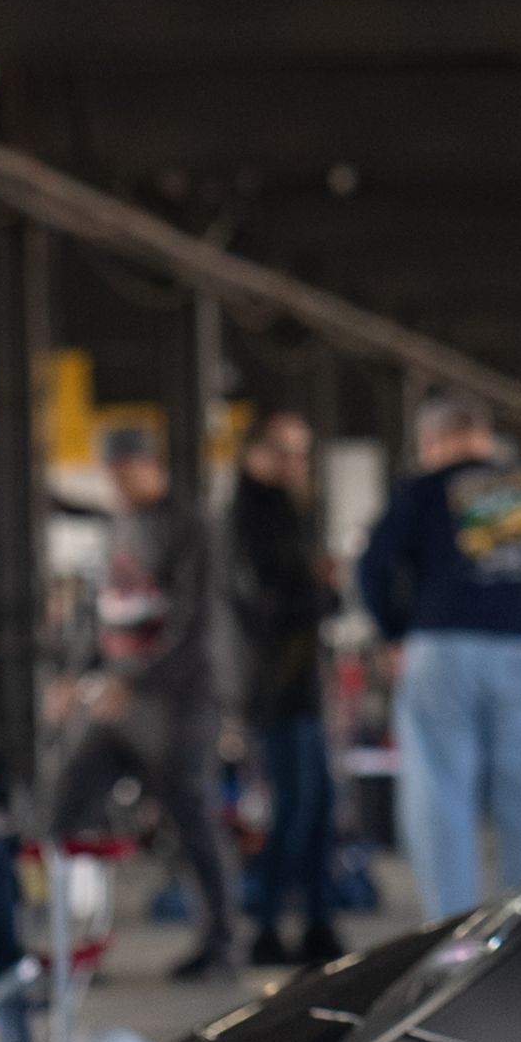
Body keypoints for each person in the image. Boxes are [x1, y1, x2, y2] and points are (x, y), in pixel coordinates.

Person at [358, 397, 521, 921]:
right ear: (483, 437)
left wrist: (395, 633)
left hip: (441, 651)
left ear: (432, 442)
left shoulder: (422, 490)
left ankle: (453, 931)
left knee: (440, 797)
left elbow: (372, 567)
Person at [51, 421, 236, 981]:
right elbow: (102, 613)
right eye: (109, 474)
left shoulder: (190, 529)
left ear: (151, 466)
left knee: (192, 818)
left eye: (126, 471)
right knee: (64, 810)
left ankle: (222, 943)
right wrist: (75, 676)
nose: (117, 484)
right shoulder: (119, 526)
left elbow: (194, 624)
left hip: (177, 704)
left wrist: (133, 682)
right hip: (116, 707)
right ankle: (74, 948)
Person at [229, 408, 340, 968]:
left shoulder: (292, 514)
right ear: (255, 453)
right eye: (284, 450)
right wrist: (321, 595)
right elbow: (264, 605)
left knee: (318, 809)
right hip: (273, 686)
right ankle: (267, 927)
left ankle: (318, 923)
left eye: (302, 452)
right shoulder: (247, 518)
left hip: (301, 682)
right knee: (294, 811)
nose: (296, 462)